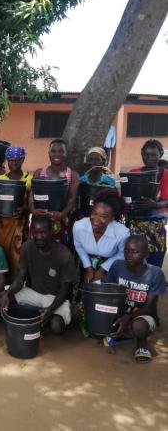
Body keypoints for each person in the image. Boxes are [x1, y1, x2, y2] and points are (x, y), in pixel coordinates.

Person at [0, 216, 76, 334]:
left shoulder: (64, 254)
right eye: (36, 233)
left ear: (51, 231)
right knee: (3, 299)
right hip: (32, 293)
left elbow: (65, 290)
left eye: (43, 233)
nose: (39, 237)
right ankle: (36, 314)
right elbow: (21, 277)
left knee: (56, 326)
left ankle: (52, 314)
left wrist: (50, 310)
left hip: (54, 298)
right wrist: (7, 293)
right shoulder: (27, 247)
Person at [105, 235, 166, 363]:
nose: (129, 255)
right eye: (126, 251)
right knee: (100, 316)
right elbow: (109, 291)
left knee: (138, 326)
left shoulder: (155, 273)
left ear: (145, 254)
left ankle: (142, 343)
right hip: (121, 311)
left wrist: (128, 318)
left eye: (135, 252)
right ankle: (122, 333)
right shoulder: (117, 266)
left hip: (143, 314)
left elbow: (149, 306)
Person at [29, 138, 80, 248]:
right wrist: (33, 209)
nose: (57, 154)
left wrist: (62, 214)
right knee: (38, 249)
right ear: (49, 153)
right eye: (53, 151)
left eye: (61, 151)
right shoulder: (39, 172)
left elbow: (72, 199)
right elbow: (32, 194)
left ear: (66, 154)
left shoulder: (73, 175)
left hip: (61, 220)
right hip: (39, 221)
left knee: (59, 250)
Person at [0, 146, 32, 282]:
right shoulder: (1, 178)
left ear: (22, 160)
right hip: (2, 223)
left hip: (19, 223)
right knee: (1, 251)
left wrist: (25, 209)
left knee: (17, 254)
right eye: (10, 160)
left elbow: (31, 202)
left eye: (17, 160)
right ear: (7, 161)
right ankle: (1, 282)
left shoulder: (29, 179)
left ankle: (15, 283)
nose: (14, 163)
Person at [73, 189, 130, 283]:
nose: (96, 220)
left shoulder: (122, 233)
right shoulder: (79, 226)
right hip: (86, 263)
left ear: (112, 218)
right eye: (94, 213)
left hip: (111, 265)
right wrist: (88, 267)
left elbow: (122, 253)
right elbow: (79, 246)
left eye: (103, 216)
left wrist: (103, 269)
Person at [128, 139, 168, 267]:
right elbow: (126, 196)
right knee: (135, 258)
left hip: (155, 224)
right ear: (141, 154)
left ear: (160, 155)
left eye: (153, 155)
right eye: (146, 154)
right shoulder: (133, 173)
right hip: (135, 222)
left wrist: (155, 205)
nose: (149, 158)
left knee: (155, 259)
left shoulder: (166, 175)